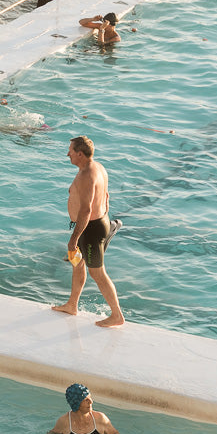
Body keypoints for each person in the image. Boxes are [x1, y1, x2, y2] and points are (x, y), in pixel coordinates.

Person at [52, 136, 126, 327]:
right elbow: (106, 196)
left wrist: (73, 239)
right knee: (78, 264)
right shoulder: (98, 167)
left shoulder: (86, 176)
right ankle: (72, 304)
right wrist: (103, 217)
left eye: (70, 151)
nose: (67, 154)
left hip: (90, 230)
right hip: (96, 224)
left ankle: (117, 315)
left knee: (97, 273)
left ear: (80, 154)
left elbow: (85, 211)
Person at [41, 383, 128, 434]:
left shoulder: (100, 418)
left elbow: (114, 433)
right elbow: (51, 433)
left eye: (90, 398)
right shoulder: (64, 421)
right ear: (76, 403)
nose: (91, 402)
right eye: (86, 400)